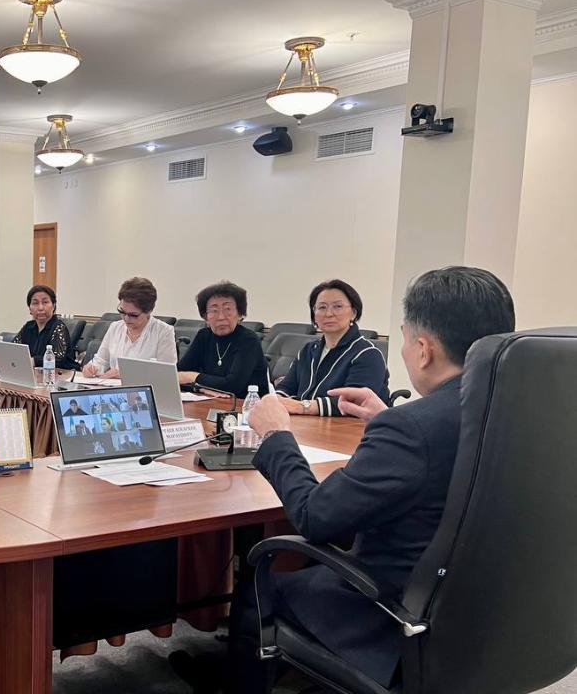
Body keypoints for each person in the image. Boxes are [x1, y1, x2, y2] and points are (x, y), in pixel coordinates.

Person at [176, 267, 515, 694]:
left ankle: (239, 682)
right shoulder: (519, 414)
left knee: (259, 578)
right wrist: (388, 417)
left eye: (405, 339)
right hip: (488, 614)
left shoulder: (412, 428)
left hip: (393, 612)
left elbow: (314, 518)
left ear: (423, 349)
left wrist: (276, 436)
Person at [275, 279, 390, 416]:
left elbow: (355, 401)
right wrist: (276, 401)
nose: (329, 314)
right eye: (322, 307)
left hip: (349, 427)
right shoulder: (308, 350)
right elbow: (286, 387)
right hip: (305, 423)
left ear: (353, 313)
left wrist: (302, 406)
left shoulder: (368, 354)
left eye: (338, 306)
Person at [176, 281, 270, 399]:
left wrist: (191, 377)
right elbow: (176, 376)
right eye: (214, 311)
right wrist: (200, 388)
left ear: (240, 314)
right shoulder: (204, 336)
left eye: (227, 309)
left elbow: (232, 386)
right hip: (210, 402)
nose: (221, 317)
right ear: (205, 317)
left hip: (246, 405)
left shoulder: (248, 340)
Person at [83, 277, 176, 378]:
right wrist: (92, 367)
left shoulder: (163, 332)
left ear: (149, 311)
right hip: (112, 385)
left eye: (133, 315)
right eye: (122, 312)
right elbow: (101, 360)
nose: (126, 318)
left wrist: (126, 374)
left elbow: (166, 374)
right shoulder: (115, 327)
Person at [11, 285, 77, 369]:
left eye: (45, 302)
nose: (40, 308)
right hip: (35, 373)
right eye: (35, 303)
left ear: (53, 306)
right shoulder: (28, 326)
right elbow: (13, 347)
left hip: (62, 374)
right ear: (30, 308)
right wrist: (3, 355)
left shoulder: (59, 327)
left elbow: (58, 358)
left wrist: (34, 361)